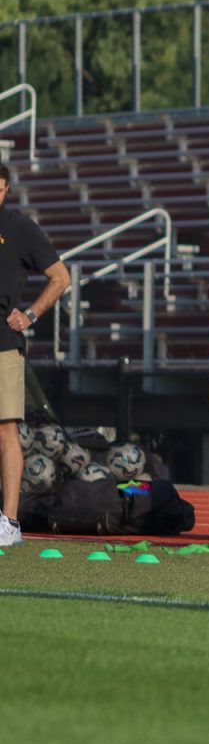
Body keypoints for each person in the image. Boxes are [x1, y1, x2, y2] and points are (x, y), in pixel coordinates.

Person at [0, 164, 69, 547]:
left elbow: (61, 276)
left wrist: (29, 314)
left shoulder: (19, 228)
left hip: (2, 342)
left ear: (6, 189)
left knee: (5, 431)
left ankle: (9, 522)